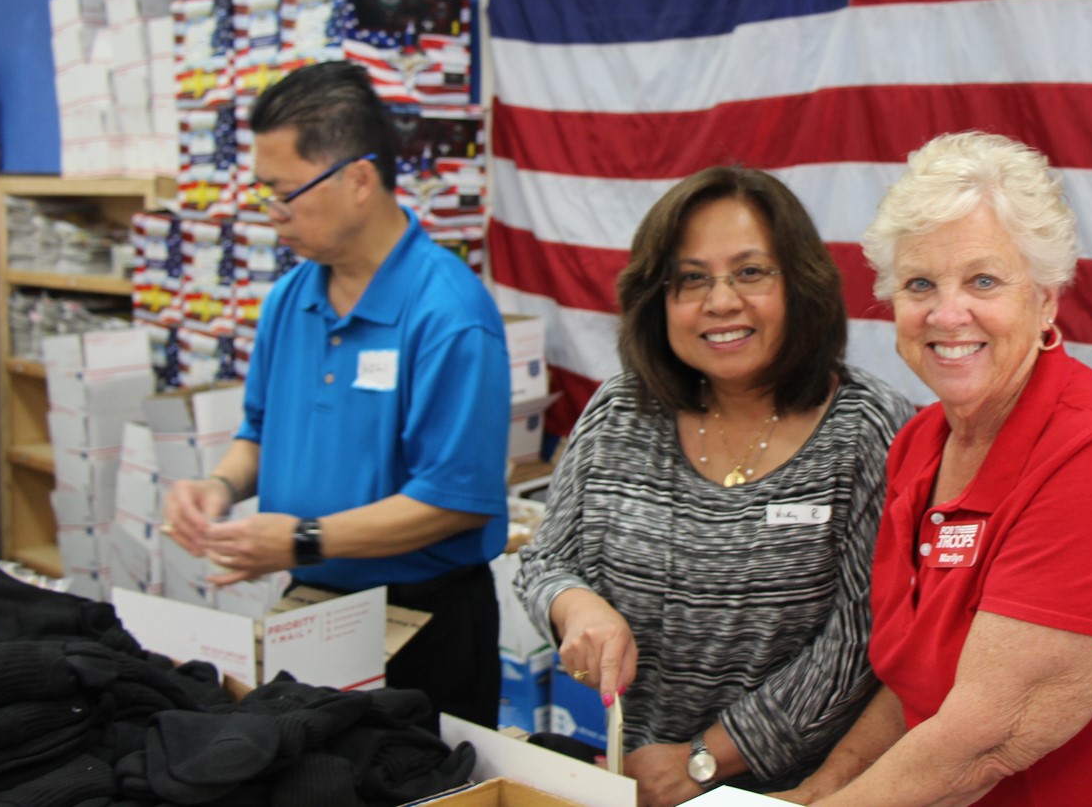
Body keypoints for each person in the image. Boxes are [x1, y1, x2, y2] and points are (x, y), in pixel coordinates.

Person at [777, 131, 1092, 807]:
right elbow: (917, 686)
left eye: (983, 280)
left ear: (1046, 298)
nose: (947, 313)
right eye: (920, 283)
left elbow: (983, 740)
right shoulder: (919, 444)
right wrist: (824, 786)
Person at [514, 167, 915, 807]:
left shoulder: (868, 428)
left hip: (806, 794)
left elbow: (865, 640)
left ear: (801, 284)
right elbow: (545, 562)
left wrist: (706, 758)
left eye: (750, 272)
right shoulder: (620, 411)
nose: (721, 301)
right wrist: (574, 604)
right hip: (634, 780)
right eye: (692, 278)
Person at [163, 61, 511, 728]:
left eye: (283, 193)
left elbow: (455, 502)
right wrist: (217, 487)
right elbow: (258, 433)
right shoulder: (290, 299)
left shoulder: (448, 314)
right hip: (314, 600)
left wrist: (303, 538)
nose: (273, 215)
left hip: (426, 618)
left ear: (358, 179)